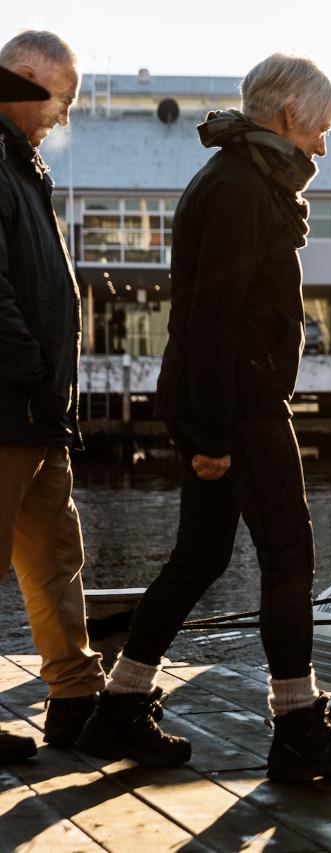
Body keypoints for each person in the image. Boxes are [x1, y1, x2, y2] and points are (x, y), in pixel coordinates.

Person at [75, 53, 331, 782]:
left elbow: (204, 319)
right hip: (240, 405)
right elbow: (211, 320)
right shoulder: (243, 189)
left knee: (201, 555)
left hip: (226, 401)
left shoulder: (238, 180)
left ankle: (119, 704)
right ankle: (298, 728)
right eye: (320, 130)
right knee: (290, 553)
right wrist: (213, 435)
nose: (322, 146)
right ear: (287, 118)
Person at [0, 31, 108, 764]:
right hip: (10, 405)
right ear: (27, 79)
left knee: (55, 556)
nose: (61, 116)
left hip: (39, 413)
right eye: (59, 99)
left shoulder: (22, 164)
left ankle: (75, 699)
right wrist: (35, 368)